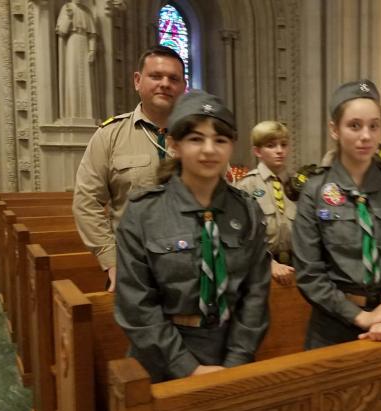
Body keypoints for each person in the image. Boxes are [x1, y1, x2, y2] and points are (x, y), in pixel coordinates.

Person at [114, 90, 271, 383]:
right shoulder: (144, 213)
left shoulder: (247, 211)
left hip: (229, 353)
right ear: (175, 144)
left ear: (232, 145)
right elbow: (136, 303)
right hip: (161, 358)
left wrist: (236, 360)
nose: (209, 150)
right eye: (196, 139)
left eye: (220, 140)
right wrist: (186, 367)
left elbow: (255, 295)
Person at [292, 79, 381, 349]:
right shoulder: (315, 190)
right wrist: (362, 317)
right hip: (331, 326)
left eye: (374, 126)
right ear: (334, 129)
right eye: (354, 125)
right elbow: (309, 273)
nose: (366, 136)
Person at [73, 45, 186, 292]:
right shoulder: (109, 135)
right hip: (134, 268)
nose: (165, 84)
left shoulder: (203, 137)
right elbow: (87, 202)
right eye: (155, 76)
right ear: (137, 81)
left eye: (173, 78)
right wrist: (110, 259)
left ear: (184, 86)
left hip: (193, 270)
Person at [234, 121, 296, 285]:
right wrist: (268, 262)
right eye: (271, 145)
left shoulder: (296, 184)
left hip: (295, 267)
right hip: (260, 268)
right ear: (257, 151)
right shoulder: (247, 186)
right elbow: (241, 235)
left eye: (284, 144)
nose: (279, 150)